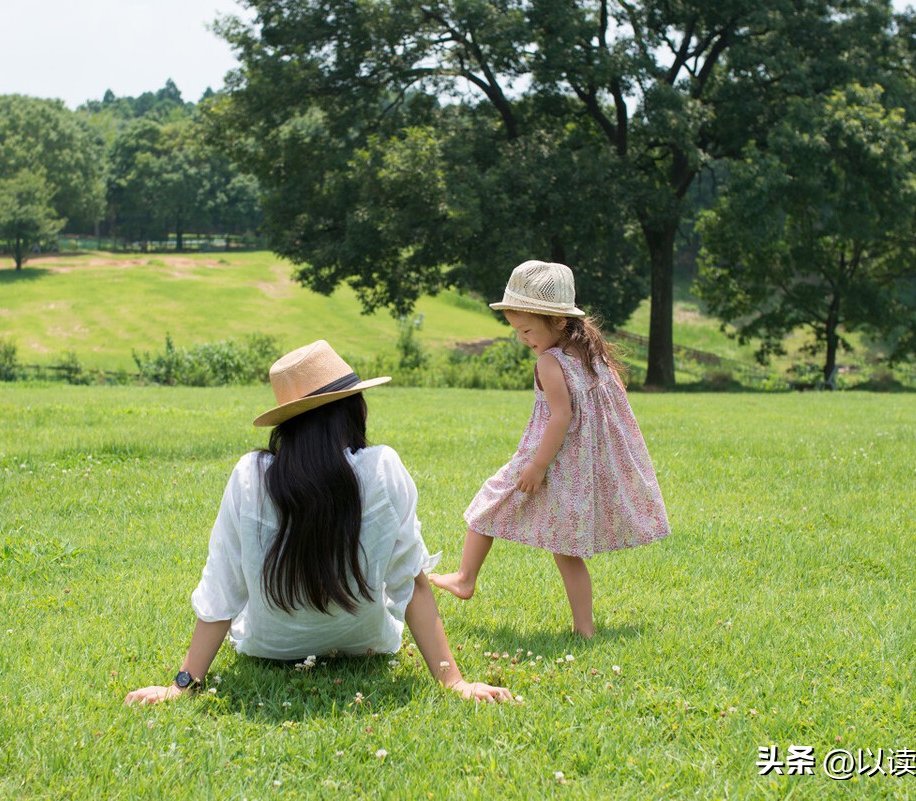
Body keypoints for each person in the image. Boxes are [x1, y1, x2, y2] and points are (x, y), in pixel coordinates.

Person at [126, 340, 512, 705]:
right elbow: (410, 581)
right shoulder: (382, 467)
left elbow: (222, 585)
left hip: (269, 648)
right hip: (367, 642)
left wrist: (183, 683)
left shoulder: (251, 475)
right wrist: (453, 681)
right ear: (350, 410)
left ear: (288, 423)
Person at [430, 261, 670, 637]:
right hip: (581, 464)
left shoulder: (550, 361)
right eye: (517, 331)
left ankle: (464, 578)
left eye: (527, 330)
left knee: (486, 505)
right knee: (567, 550)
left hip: (548, 457)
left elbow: (561, 416)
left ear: (557, 322)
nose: (524, 338)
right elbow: (614, 401)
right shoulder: (592, 352)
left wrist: (538, 467)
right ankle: (585, 629)